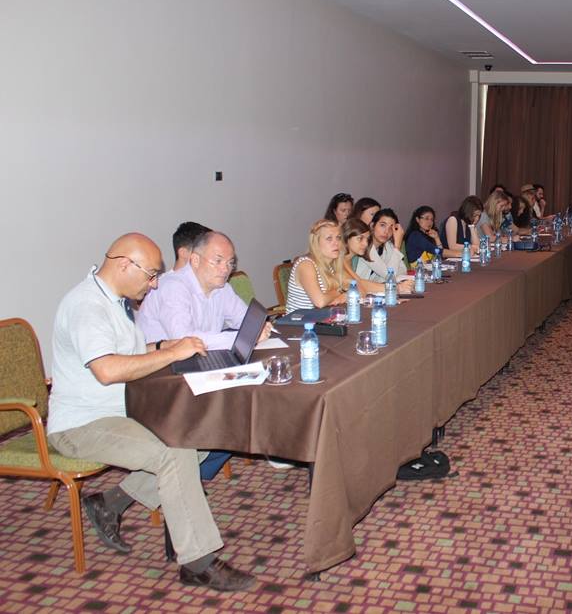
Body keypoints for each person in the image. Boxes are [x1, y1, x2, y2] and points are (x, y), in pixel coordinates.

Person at [47, 233, 255, 591]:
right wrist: (170, 354)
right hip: (82, 424)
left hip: (122, 411)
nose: (155, 283)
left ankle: (110, 502)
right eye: (151, 274)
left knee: (198, 437)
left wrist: (162, 345)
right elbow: (107, 369)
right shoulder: (87, 306)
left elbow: (128, 350)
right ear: (124, 264)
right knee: (174, 453)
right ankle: (198, 562)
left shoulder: (114, 301)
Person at [137, 231, 271, 350]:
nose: (225, 269)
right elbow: (184, 340)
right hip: (162, 365)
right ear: (195, 260)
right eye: (218, 261)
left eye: (230, 263)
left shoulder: (222, 288)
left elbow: (244, 319)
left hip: (199, 357)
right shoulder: (173, 287)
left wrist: (259, 328)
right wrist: (245, 339)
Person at [285, 219, 347, 312]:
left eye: (338, 238)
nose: (336, 243)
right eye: (329, 238)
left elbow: (353, 287)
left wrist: (342, 294)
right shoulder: (306, 264)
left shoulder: (331, 264)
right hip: (301, 320)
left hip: (323, 316)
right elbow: (320, 302)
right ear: (316, 242)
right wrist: (340, 291)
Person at [344, 219, 414, 293]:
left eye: (367, 239)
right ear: (346, 237)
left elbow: (402, 270)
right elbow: (359, 284)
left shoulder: (353, 257)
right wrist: (397, 287)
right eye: (360, 238)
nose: (365, 243)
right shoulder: (340, 260)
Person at [364, 208, 407, 278]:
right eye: (382, 225)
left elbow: (403, 270)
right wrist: (397, 246)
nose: (386, 231)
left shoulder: (388, 245)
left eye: (391, 228)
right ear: (372, 226)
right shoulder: (364, 245)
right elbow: (389, 275)